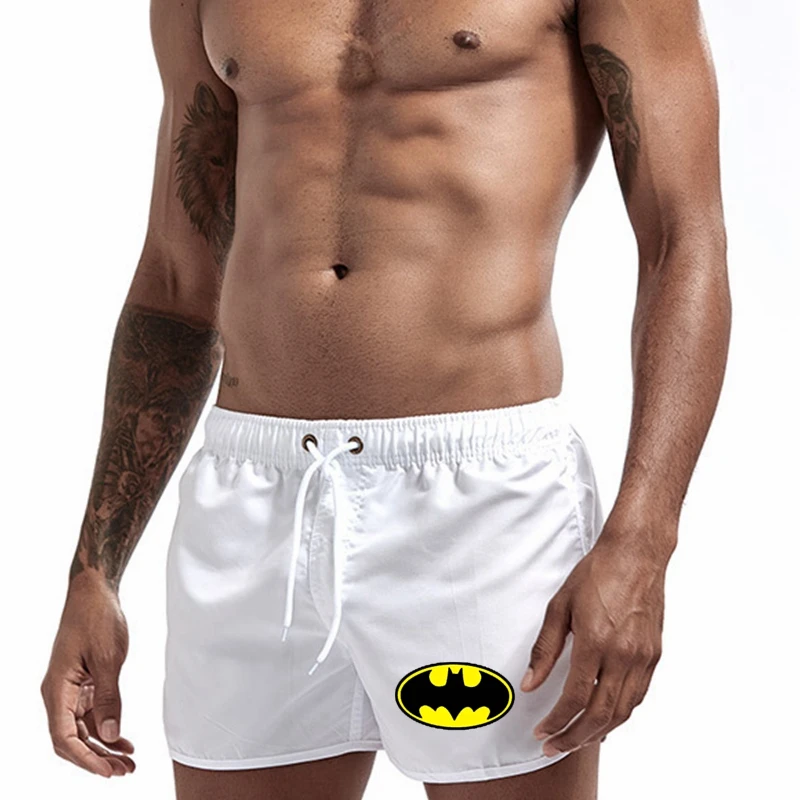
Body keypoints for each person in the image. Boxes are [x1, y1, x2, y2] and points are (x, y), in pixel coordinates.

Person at [40, 0, 730, 797]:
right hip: (253, 503)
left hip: (480, 508)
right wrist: (95, 571)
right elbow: (175, 279)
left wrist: (643, 542)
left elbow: (684, 240)